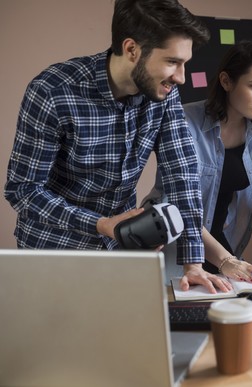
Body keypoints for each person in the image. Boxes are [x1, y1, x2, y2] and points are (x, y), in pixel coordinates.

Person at [4, 0, 231, 294]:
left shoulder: (164, 93)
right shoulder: (52, 92)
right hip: (52, 253)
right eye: (172, 62)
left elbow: (182, 175)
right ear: (131, 49)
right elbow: (23, 190)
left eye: (184, 63)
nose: (180, 77)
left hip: (120, 255)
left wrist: (194, 265)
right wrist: (101, 224)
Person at [144, 41, 252, 286]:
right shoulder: (183, 122)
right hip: (176, 240)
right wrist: (226, 260)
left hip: (224, 241)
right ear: (226, 81)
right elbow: (179, 203)